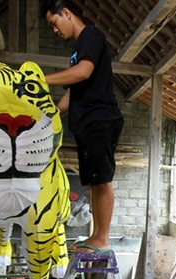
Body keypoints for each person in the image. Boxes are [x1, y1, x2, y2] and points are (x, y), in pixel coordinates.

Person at [41, 0, 124, 253]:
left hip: (100, 119)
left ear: (66, 13)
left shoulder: (90, 35)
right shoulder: (77, 49)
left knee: (103, 181)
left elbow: (83, 72)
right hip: (87, 123)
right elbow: (70, 95)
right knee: (96, 183)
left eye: (54, 24)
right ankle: (97, 237)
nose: (55, 31)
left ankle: (102, 238)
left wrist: (39, 79)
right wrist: (46, 118)